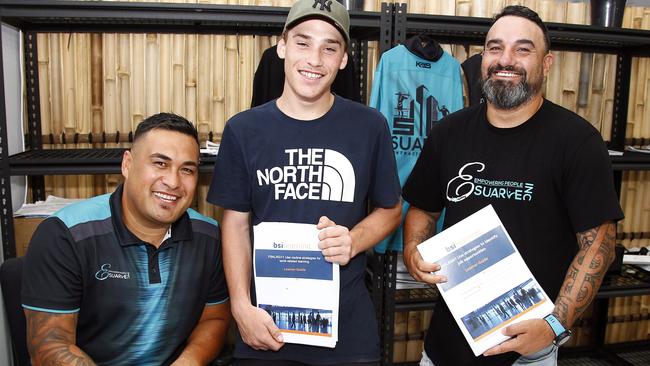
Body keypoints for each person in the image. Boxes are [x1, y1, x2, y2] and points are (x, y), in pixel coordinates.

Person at [402, 5, 623, 366]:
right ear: (483, 56)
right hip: (445, 347)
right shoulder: (449, 132)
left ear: (546, 64)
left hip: (529, 352)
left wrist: (554, 325)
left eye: (523, 49)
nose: (506, 59)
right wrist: (413, 250)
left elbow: (598, 246)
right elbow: (424, 208)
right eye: (494, 47)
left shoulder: (577, 141)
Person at [207, 0, 402, 364]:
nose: (314, 59)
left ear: (343, 59)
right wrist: (240, 307)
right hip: (266, 328)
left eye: (330, 47)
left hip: (347, 334)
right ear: (281, 46)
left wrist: (353, 240)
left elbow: (391, 209)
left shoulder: (369, 126)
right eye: (302, 42)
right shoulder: (243, 130)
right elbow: (234, 223)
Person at [21, 113, 230, 366]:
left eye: (187, 169)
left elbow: (214, 319)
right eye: (160, 164)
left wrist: (188, 362)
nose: (173, 181)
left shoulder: (209, 237)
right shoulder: (66, 234)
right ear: (127, 165)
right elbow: (49, 343)